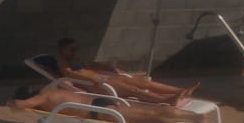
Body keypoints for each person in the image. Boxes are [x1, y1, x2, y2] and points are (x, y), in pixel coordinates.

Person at [7, 84, 205, 123]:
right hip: (100, 102)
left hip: (98, 111)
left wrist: (10, 102)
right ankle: (195, 116)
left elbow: (20, 106)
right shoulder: (53, 89)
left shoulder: (43, 97)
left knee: (149, 119)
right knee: (153, 111)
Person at [52, 37, 197, 105]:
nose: (75, 51)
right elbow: (71, 74)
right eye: (71, 49)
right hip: (95, 84)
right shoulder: (63, 62)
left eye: (76, 49)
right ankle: (165, 100)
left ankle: (180, 90)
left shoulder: (76, 59)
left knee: (143, 82)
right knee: (133, 90)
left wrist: (116, 71)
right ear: (61, 50)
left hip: (104, 78)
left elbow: (95, 65)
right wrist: (97, 79)